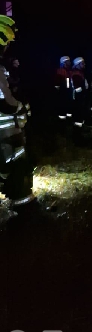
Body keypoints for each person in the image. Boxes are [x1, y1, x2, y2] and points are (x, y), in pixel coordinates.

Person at [0, 15, 35, 207]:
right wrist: (21, 108)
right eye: (7, 43)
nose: (8, 47)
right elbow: (6, 101)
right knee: (16, 162)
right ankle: (23, 204)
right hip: (6, 130)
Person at [71, 57, 89, 130]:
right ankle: (77, 130)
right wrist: (83, 89)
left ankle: (79, 127)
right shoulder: (76, 74)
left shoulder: (80, 73)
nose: (84, 64)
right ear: (77, 64)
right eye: (82, 63)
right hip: (79, 97)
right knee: (78, 111)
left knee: (80, 111)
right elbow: (78, 88)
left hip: (81, 96)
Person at [55, 56, 73, 122]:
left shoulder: (69, 71)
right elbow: (58, 84)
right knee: (63, 107)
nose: (69, 62)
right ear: (64, 62)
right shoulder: (60, 71)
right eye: (68, 61)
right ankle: (62, 122)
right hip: (63, 93)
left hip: (68, 93)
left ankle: (68, 121)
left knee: (68, 108)